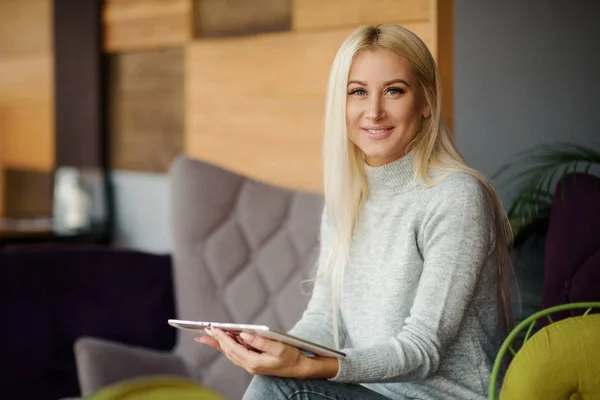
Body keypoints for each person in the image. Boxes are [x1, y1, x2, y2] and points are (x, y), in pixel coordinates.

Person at [195, 23, 513, 400]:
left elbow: (422, 349)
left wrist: (308, 367)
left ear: (426, 102)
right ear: (340, 104)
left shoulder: (455, 197)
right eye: (358, 92)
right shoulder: (346, 199)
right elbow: (324, 322)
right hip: (372, 393)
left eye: (394, 91)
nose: (374, 111)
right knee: (274, 381)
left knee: (277, 388)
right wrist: (272, 349)